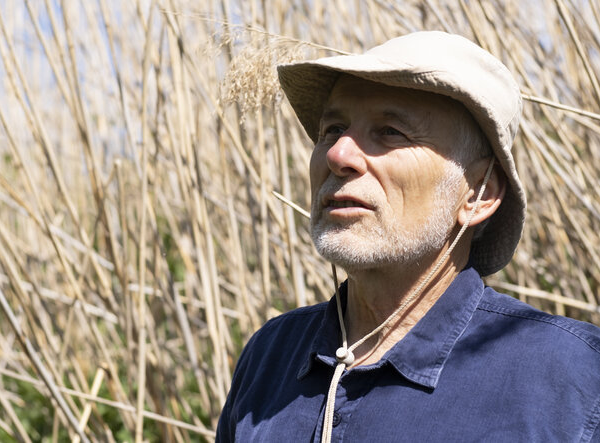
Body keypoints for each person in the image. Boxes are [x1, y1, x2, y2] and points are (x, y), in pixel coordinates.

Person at [216, 31, 600, 442]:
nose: (338, 155)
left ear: (477, 195)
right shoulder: (271, 356)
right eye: (332, 128)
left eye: (391, 131)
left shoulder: (568, 377)